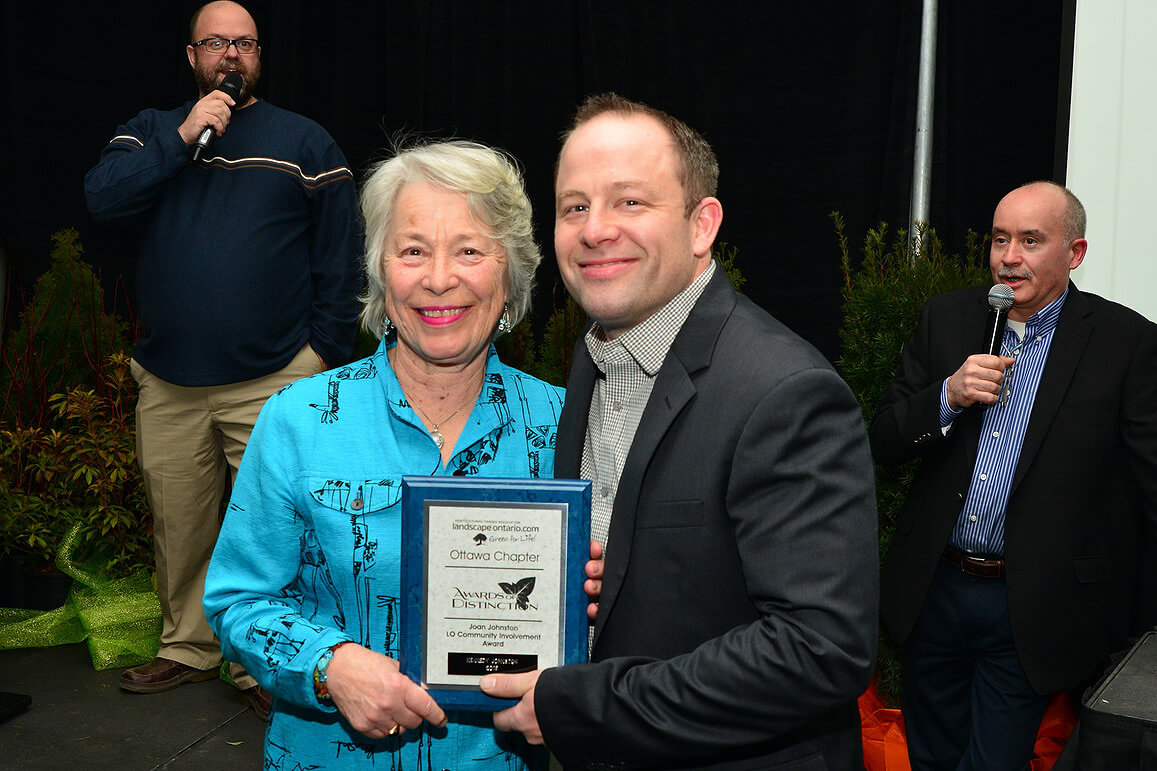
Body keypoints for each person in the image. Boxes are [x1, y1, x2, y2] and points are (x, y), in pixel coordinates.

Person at [481, 93, 879, 769]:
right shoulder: (594, 355)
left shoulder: (783, 393)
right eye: (574, 206)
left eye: (629, 201)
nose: (594, 229)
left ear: (702, 225)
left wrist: (579, 704)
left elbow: (818, 648)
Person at [203, 140, 564, 769]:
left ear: (510, 276)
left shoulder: (567, 426)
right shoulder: (301, 419)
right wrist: (329, 666)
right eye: (413, 250)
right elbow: (237, 601)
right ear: (379, 271)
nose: (438, 278)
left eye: (470, 250)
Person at [83, 0, 360, 715]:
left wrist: (320, 353)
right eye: (216, 43)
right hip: (170, 378)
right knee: (179, 519)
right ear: (191, 56)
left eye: (244, 43)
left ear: (260, 55)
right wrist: (183, 135)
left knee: (275, 526)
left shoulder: (304, 140)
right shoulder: (150, 132)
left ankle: (263, 663)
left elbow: (341, 259)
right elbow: (104, 201)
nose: (230, 55)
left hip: (273, 376)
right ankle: (188, 645)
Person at [869, 181, 1157, 770]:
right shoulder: (948, 318)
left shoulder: (1125, 342)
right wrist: (946, 396)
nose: (1009, 257)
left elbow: (1149, 482)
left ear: (1074, 254)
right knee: (931, 758)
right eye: (1001, 239)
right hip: (936, 588)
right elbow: (884, 439)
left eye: (1030, 240)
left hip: (1033, 603)